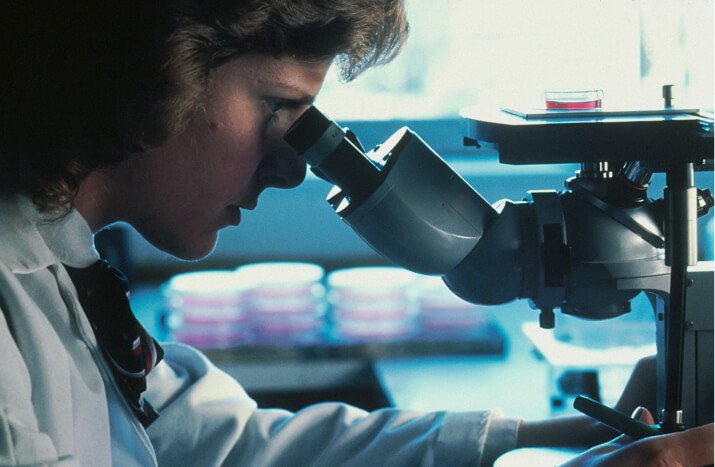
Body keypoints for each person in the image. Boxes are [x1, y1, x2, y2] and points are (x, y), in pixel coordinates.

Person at [0, 2, 711, 466]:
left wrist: (560, 438)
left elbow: (230, 447)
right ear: (162, 67)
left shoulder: (63, 265)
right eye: (279, 109)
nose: (289, 169)